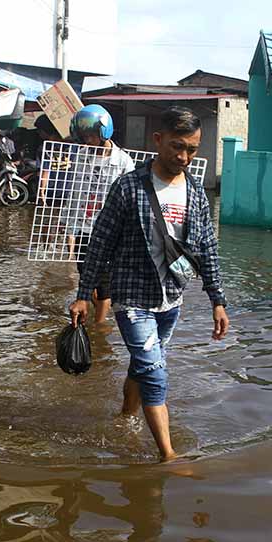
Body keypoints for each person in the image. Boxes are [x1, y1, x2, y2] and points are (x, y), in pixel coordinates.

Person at [69, 106, 229, 462]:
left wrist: (218, 299)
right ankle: (168, 456)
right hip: (131, 298)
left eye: (192, 149)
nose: (184, 156)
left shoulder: (196, 193)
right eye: (177, 146)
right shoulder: (128, 187)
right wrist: (84, 294)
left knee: (143, 365)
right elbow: (100, 242)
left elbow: (206, 247)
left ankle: (126, 416)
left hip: (171, 298)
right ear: (158, 141)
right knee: (155, 373)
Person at [64, 104, 136, 323]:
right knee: (87, 276)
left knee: (103, 284)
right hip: (85, 227)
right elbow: (74, 193)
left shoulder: (123, 161)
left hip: (110, 232)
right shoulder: (80, 157)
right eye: (84, 136)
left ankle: (100, 327)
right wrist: (70, 230)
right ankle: (96, 311)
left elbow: (131, 200)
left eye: (91, 135)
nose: (88, 140)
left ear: (103, 132)